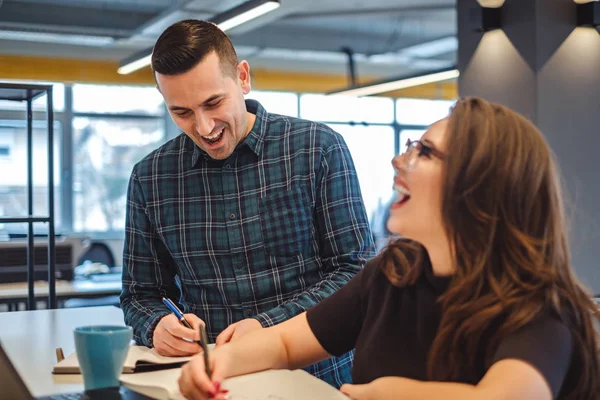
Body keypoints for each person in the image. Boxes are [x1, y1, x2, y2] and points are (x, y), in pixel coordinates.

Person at [178, 97, 600, 400]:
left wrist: (393, 393)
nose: (400, 161)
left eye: (426, 152)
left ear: (481, 187)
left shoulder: (538, 308)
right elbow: (285, 344)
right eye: (410, 146)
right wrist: (215, 363)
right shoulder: (394, 274)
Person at [119, 19, 374, 388]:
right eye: (182, 112)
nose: (204, 128)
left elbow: (356, 273)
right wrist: (157, 325)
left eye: (213, 103)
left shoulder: (317, 149)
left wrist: (265, 328)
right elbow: (140, 293)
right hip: (210, 383)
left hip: (317, 379)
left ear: (242, 77)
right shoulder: (151, 178)